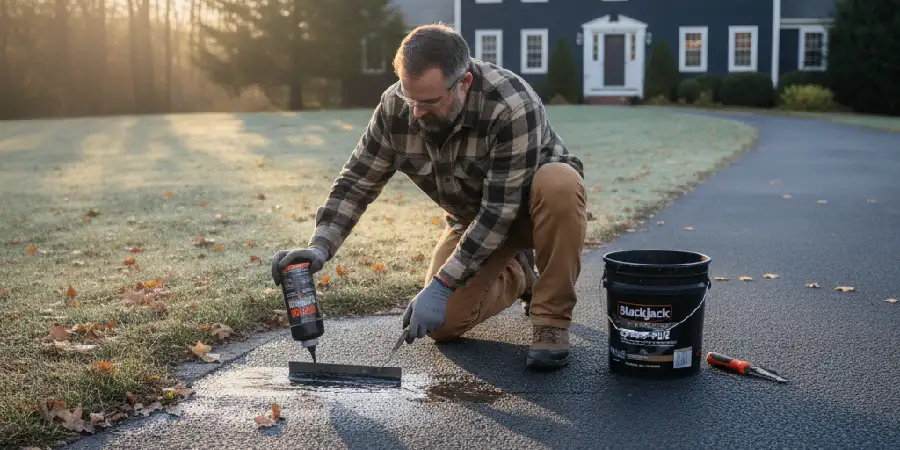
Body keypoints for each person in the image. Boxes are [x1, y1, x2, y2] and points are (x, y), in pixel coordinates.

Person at [272, 24, 586, 369]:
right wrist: (321, 245)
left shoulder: (510, 104)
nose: (416, 111)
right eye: (410, 97)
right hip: (472, 223)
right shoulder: (395, 107)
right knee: (445, 324)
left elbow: (501, 211)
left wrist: (442, 284)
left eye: (430, 101)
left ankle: (552, 320)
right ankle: (521, 274)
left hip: (532, 213)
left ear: (464, 82)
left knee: (560, 182)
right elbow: (357, 181)